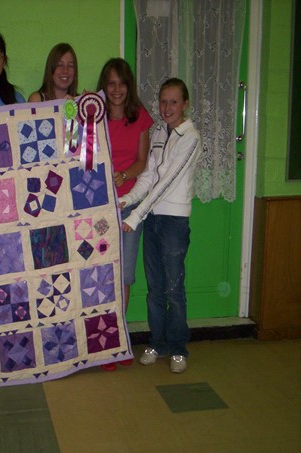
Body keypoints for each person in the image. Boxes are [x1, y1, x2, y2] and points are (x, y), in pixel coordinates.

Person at [120, 78, 203, 374]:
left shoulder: (190, 137)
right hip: (153, 218)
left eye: (173, 102)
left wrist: (135, 216)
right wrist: (127, 199)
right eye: (163, 101)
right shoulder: (158, 132)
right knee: (154, 287)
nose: (167, 108)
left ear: (185, 104)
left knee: (173, 288)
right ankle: (157, 343)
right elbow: (149, 176)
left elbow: (167, 183)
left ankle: (178, 347)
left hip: (174, 222)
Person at [96, 58, 153, 371]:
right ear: (104, 86)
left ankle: (118, 338)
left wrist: (124, 175)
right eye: (111, 83)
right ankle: (102, 341)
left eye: (122, 83)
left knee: (125, 275)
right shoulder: (94, 116)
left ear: (129, 86)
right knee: (101, 273)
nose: (117, 89)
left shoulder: (139, 116)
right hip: (99, 207)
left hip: (128, 207)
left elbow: (143, 162)